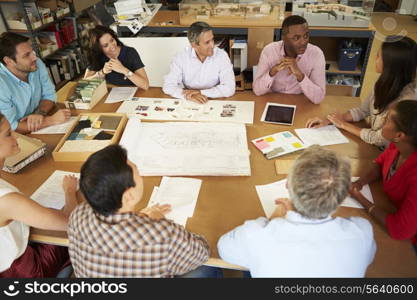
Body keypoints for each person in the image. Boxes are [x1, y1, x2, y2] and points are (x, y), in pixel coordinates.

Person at [217, 145, 376, 277]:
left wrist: (273, 220)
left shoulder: (256, 234)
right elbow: (368, 256)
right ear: (342, 198)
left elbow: (224, 248)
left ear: (287, 184)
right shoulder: (361, 232)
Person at [68, 144, 213, 277]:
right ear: (128, 196)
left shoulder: (78, 214)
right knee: (208, 268)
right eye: (137, 171)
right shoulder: (162, 234)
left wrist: (142, 217)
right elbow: (203, 252)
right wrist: (158, 223)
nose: (141, 175)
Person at [0, 113, 78, 277]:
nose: (17, 136)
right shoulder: (7, 200)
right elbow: (71, 222)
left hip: (15, 253)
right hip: (24, 271)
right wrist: (70, 191)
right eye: (8, 134)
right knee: (81, 237)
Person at [306, 36, 417, 149]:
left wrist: (343, 124)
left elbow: (379, 139)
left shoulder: (406, 102)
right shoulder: (383, 81)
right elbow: (362, 110)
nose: (375, 58)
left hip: (387, 153)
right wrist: (329, 120)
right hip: (374, 146)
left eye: (379, 56)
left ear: (391, 64)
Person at [349, 100, 417, 252]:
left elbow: (400, 230)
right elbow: (379, 163)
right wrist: (360, 182)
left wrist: (360, 198)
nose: (382, 120)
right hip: (389, 206)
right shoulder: (397, 145)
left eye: (386, 120)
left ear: (399, 135)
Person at [0, 32, 71, 134]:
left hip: (37, 124)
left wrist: (39, 113)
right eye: (26, 55)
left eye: (32, 51)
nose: (34, 57)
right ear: (9, 61)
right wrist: (51, 120)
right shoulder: (1, 84)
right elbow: (10, 126)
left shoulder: (36, 64)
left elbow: (49, 95)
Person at [253, 15, 326, 104]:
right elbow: (257, 90)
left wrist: (300, 75)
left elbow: (318, 98)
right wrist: (272, 72)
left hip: (300, 103)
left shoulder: (316, 54)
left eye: (306, 36)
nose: (303, 42)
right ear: (283, 37)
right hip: (272, 100)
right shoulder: (269, 51)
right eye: (296, 38)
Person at [163, 21, 235, 104]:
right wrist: (189, 96)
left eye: (212, 39)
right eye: (207, 42)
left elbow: (229, 88)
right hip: (191, 101)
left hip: (214, 100)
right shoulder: (181, 57)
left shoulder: (222, 56)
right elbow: (168, 86)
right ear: (194, 45)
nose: (212, 45)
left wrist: (200, 93)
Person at [84, 25, 149, 89]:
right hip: (111, 92)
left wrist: (123, 70)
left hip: (134, 93)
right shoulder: (97, 56)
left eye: (112, 40)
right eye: (106, 45)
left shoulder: (130, 52)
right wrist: (102, 72)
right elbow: (84, 83)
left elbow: (145, 85)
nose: (112, 46)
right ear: (98, 48)